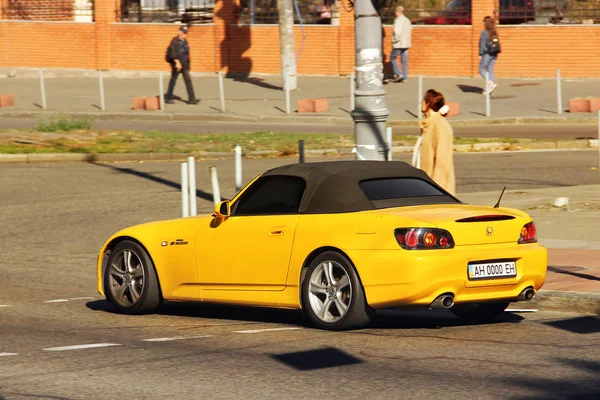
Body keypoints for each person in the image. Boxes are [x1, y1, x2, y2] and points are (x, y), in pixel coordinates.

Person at [418, 89, 455, 196]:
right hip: (426, 186)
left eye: (423, 100)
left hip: (437, 190)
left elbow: (441, 161)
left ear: (428, 103)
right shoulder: (428, 124)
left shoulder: (440, 126)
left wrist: (434, 189)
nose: (421, 103)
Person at [165, 25, 200, 105]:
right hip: (177, 65)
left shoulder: (185, 41)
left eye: (186, 33)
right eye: (183, 33)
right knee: (173, 80)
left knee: (188, 80)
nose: (185, 34)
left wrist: (188, 65)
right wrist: (177, 62)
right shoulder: (174, 41)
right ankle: (168, 97)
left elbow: (187, 54)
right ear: (179, 32)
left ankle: (192, 98)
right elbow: (172, 53)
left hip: (184, 65)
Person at [389, 6, 412, 83]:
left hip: (399, 44)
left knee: (392, 58)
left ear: (396, 12)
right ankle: (405, 77)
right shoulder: (407, 20)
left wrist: (394, 40)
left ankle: (398, 74)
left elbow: (397, 32)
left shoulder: (398, 20)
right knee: (404, 61)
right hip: (406, 43)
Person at [479, 16, 500, 95]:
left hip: (487, 53)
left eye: (484, 21)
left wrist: (480, 54)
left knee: (481, 69)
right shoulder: (494, 31)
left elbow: (482, 44)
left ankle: (490, 84)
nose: (483, 23)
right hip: (494, 52)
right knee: (490, 70)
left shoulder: (484, 32)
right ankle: (490, 90)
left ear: (486, 23)